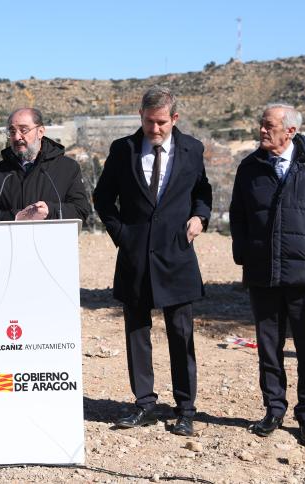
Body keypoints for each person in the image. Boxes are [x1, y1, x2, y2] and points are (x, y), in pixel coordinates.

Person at [93, 86, 212, 436]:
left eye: (161, 122)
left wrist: (200, 217)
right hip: (135, 257)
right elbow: (102, 199)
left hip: (177, 256)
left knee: (181, 333)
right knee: (137, 333)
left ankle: (186, 408)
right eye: (149, 122)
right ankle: (144, 404)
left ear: (174, 119)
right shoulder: (123, 150)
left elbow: (202, 191)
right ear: (140, 118)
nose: (155, 129)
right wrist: (123, 236)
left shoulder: (193, 150)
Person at [229, 103, 305, 446]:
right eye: (261, 125)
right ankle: (273, 410)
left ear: (290, 131)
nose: (262, 131)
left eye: (269, 126)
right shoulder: (249, 168)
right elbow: (238, 214)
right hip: (263, 274)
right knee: (269, 349)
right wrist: (244, 252)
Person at [0, 108, 90, 223]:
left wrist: (50, 211)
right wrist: (16, 217)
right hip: (12, 241)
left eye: (23, 130)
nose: (17, 137)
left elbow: (81, 210)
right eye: (12, 132)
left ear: (40, 132)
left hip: (52, 241)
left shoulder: (67, 168)